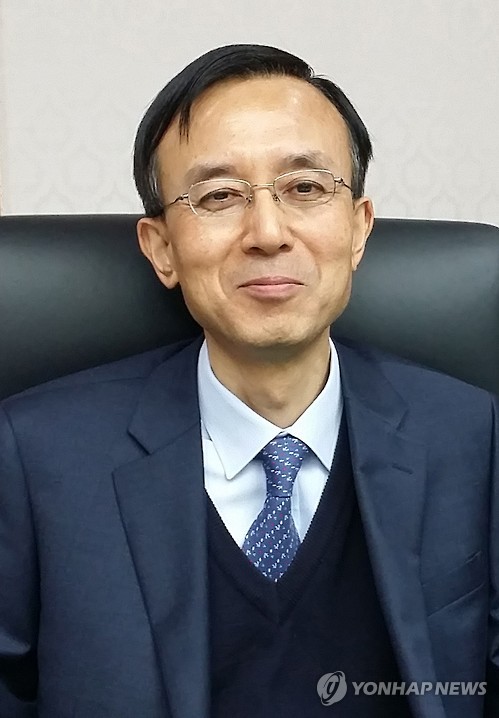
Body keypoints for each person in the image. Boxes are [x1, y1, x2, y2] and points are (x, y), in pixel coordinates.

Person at [0, 43, 497, 718]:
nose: (267, 232)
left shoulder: (473, 434)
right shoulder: (38, 456)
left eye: (305, 189)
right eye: (219, 196)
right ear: (162, 249)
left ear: (358, 229)